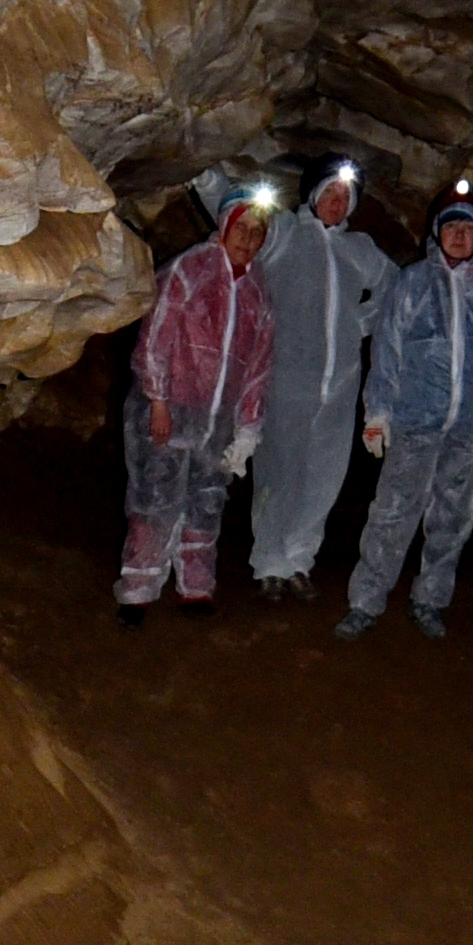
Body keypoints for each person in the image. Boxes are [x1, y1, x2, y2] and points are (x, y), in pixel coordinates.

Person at [336, 183, 473, 643]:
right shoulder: (411, 282)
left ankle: (431, 599)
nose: (459, 234)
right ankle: (366, 602)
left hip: (469, 430)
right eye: (451, 225)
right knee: (392, 514)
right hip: (415, 423)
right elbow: (388, 351)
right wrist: (378, 413)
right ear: (437, 233)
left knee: (454, 520)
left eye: (467, 226)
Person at [115, 185, 275, 621]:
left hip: (217, 421)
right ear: (223, 224)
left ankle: (196, 587)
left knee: (205, 500)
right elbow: (155, 339)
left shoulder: (258, 294)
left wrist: (247, 429)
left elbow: (258, 367)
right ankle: (138, 589)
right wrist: (158, 401)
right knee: (155, 497)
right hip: (173, 407)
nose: (247, 238)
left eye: (256, 231)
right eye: (240, 227)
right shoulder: (190, 269)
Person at [249, 158, 394, 602]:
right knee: (278, 472)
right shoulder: (285, 233)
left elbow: (396, 287)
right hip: (289, 376)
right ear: (313, 195)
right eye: (330, 192)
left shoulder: (359, 247)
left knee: (324, 476)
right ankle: (269, 563)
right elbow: (233, 212)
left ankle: (298, 559)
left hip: (340, 384)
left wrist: (362, 322)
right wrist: (201, 171)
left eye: (345, 196)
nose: (337, 202)